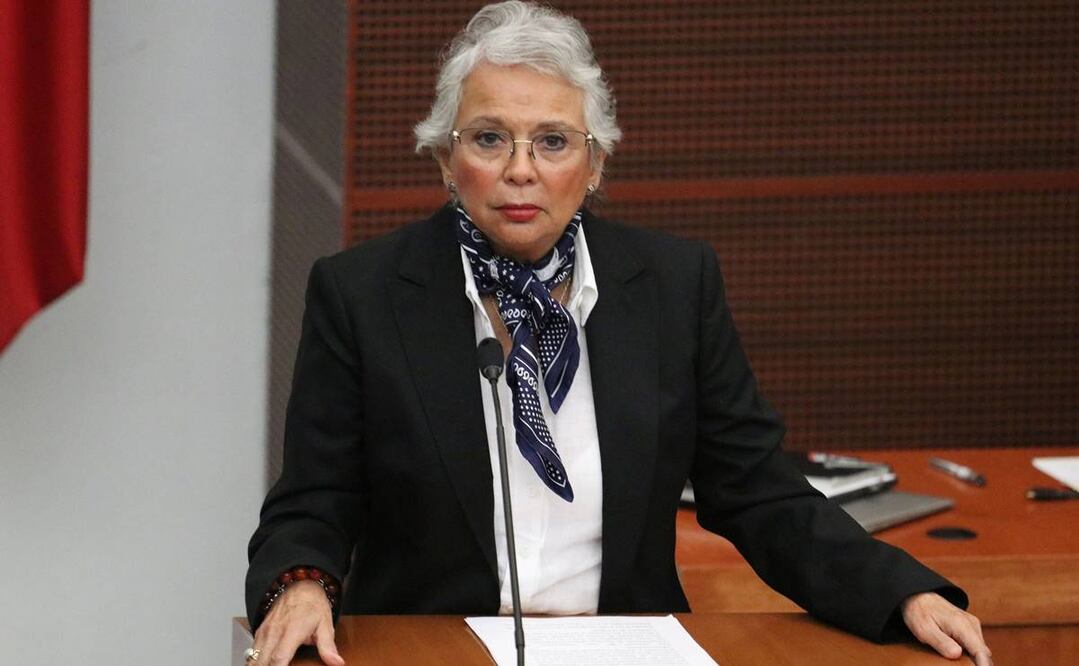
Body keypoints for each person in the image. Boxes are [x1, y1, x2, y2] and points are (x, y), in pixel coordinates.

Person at [245, 3, 992, 665]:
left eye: (552, 142)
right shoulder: (363, 294)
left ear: (594, 163)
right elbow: (314, 498)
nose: (520, 172)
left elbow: (758, 494)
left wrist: (898, 593)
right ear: (445, 157)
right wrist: (303, 584)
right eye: (488, 138)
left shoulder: (671, 286)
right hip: (434, 647)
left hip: (624, 646)